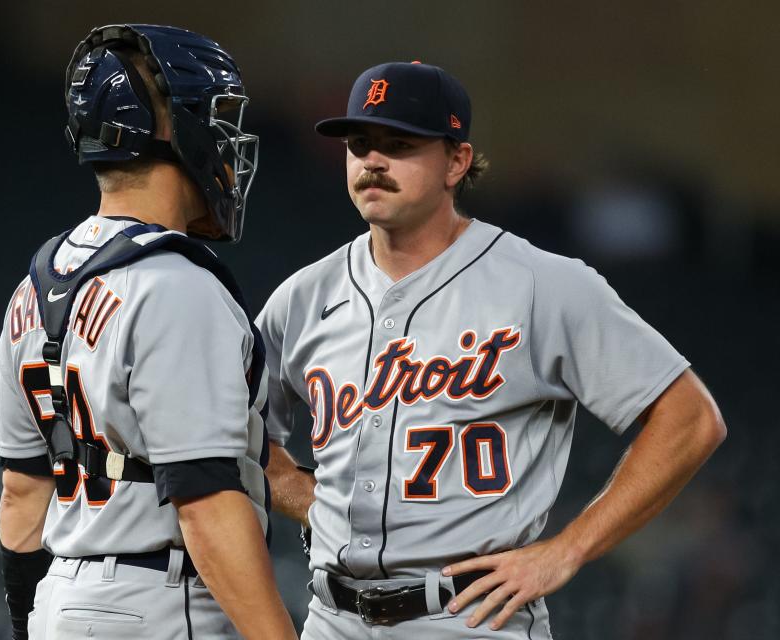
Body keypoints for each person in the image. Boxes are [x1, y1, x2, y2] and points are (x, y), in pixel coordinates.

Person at [259, 61, 726, 639]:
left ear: (457, 161)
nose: (372, 161)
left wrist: (568, 550)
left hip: (470, 619)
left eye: (399, 144)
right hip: (332, 619)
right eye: (360, 144)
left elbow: (690, 418)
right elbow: (243, 435)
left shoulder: (540, 283)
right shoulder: (303, 297)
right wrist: (310, 500)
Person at [0, 24, 296, 640]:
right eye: (216, 115)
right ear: (172, 129)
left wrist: (27, 622)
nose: (227, 137)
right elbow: (207, 509)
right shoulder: (177, 286)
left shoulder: (32, 288)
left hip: (61, 600)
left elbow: (20, 495)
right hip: (158, 603)